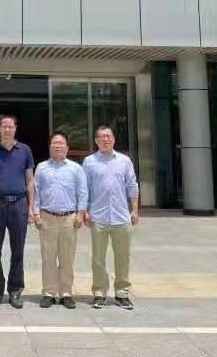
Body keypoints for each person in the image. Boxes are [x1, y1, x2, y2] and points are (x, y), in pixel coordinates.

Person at [0, 114, 35, 309]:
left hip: (19, 203)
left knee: (18, 249)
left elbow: (30, 181)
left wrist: (31, 207)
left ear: (15, 128)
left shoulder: (25, 150)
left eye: (10, 126)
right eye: (4, 126)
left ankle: (15, 290)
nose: (7, 129)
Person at [83, 126, 140, 310]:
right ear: (96, 141)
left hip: (121, 216)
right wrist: (85, 210)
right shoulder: (89, 162)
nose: (105, 139)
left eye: (108, 136)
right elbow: (85, 188)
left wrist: (135, 209)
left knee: (123, 257)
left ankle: (122, 293)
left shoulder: (124, 161)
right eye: (102, 137)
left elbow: (132, 185)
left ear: (114, 139)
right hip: (98, 216)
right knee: (98, 258)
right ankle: (99, 293)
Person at [32, 132, 87, 309]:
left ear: (67, 147)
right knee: (48, 258)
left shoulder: (76, 168)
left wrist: (80, 214)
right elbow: (36, 192)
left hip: (69, 219)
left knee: (67, 258)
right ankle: (49, 293)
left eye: (61, 143)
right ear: (50, 147)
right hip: (47, 217)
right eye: (55, 143)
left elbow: (82, 192)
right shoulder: (41, 167)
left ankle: (66, 293)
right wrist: (36, 214)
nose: (58, 146)